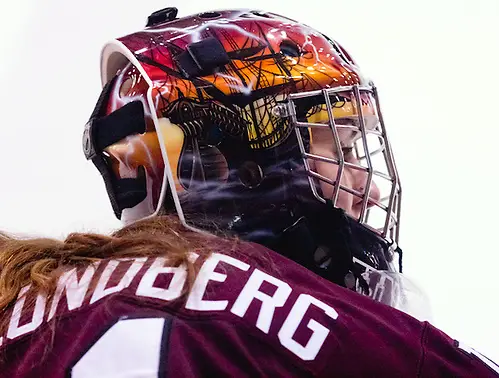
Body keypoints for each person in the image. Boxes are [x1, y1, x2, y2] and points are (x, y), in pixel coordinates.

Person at [0, 7, 497, 377]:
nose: (366, 188)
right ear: (236, 168)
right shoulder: (312, 323)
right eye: (341, 150)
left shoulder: (23, 306)